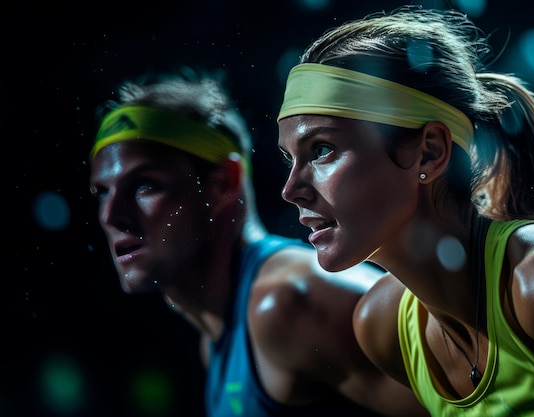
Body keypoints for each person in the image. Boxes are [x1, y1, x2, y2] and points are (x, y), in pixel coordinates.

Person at [276, 5, 534, 416]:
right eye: (289, 159)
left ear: (430, 151)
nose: (291, 190)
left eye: (322, 149)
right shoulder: (382, 328)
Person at [88, 67, 427, 417]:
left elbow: (474, 399)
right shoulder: (222, 331)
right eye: (103, 193)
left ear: (224, 181)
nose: (111, 215)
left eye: (144, 186)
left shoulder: (287, 302)